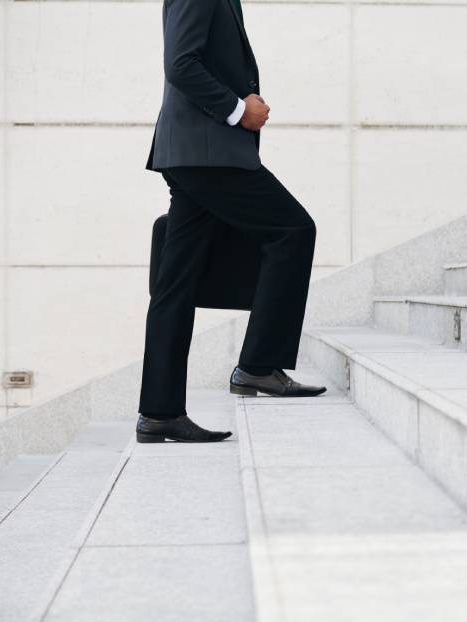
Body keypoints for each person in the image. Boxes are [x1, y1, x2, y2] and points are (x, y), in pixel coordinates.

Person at [136, 0, 326, 444]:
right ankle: (258, 366)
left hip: (196, 153)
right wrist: (239, 110)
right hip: (207, 154)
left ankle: (159, 412)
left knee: (175, 283)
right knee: (292, 230)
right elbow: (180, 63)